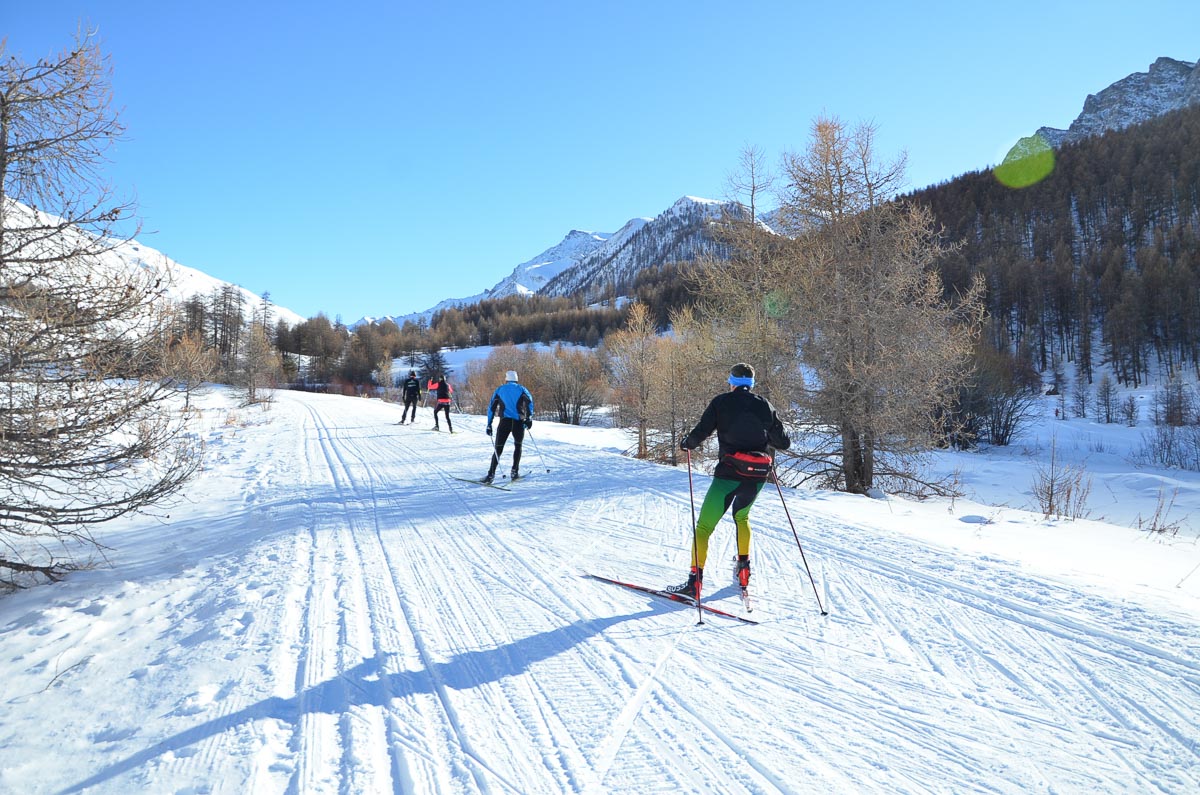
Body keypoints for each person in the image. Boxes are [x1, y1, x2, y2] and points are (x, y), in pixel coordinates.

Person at [665, 362, 790, 600]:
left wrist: (686, 443)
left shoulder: (721, 402)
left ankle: (694, 584)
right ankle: (744, 573)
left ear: (732, 382)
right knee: (742, 517)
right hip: (757, 476)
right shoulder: (765, 405)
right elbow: (783, 443)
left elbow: (702, 431)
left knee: (703, 528)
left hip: (729, 474)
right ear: (751, 384)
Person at [483, 370, 534, 483]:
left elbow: (492, 407)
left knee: (498, 448)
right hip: (518, 423)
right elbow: (530, 402)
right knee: (518, 446)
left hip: (504, 422)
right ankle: (514, 472)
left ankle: (490, 475)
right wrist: (529, 418)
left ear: (506, 379)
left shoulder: (500, 389)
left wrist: (489, 424)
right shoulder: (522, 389)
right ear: (516, 379)